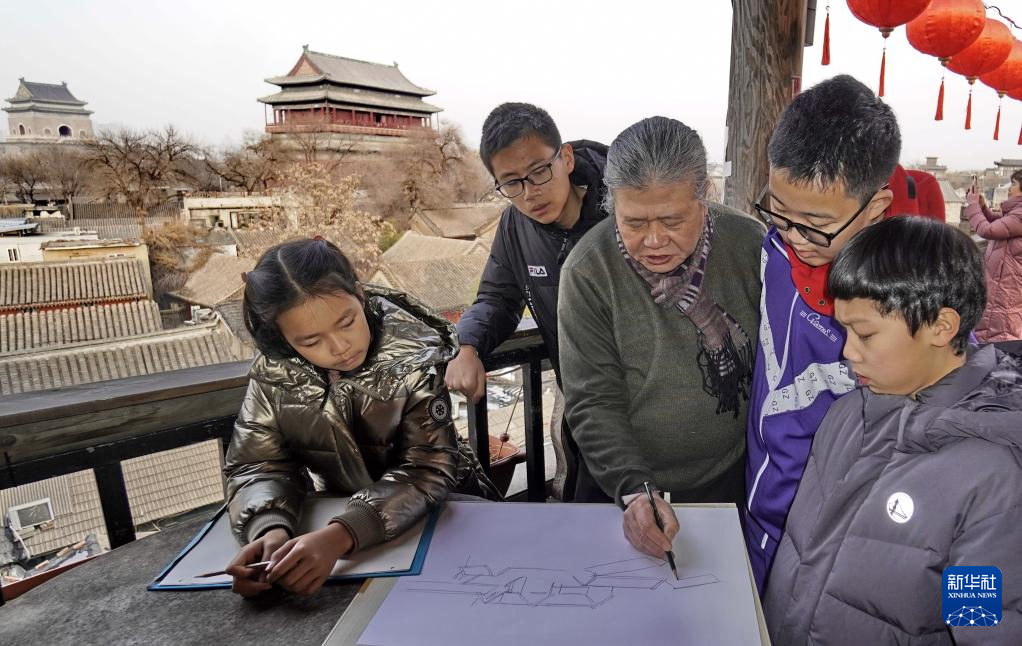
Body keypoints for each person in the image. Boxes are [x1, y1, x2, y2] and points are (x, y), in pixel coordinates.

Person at [764, 216, 1022, 644]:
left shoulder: (990, 478)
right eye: (844, 329)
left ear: (941, 327)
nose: (847, 351)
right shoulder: (846, 413)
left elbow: (981, 625)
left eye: (865, 334)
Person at [223, 238, 498, 598]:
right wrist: (269, 529)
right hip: (349, 528)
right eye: (310, 342)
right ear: (282, 338)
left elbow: (427, 468)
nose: (340, 347)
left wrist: (343, 534)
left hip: (447, 515)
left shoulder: (412, 359)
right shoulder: (274, 376)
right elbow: (257, 465)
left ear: (359, 294)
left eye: (347, 322)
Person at [558, 116, 763, 556]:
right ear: (612, 204)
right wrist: (634, 489)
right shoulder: (588, 270)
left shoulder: (750, 245)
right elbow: (593, 399)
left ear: (705, 195)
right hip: (624, 487)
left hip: (731, 478)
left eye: (672, 220)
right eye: (633, 223)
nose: (653, 240)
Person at [744, 74, 899, 592]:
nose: (793, 236)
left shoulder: (904, 312)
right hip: (755, 508)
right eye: (777, 211)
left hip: (826, 548)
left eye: (813, 224)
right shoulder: (774, 252)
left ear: (875, 207)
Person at [445, 102, 609, 499]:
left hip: (645, 393)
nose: (530, 192)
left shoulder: (621, 207)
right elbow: (498, 298)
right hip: (582, 398)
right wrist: (467, 345)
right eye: (512, 183)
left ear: (565, 158)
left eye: (539, 171)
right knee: (590, 506)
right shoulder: (516, 226)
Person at [966, 169, 1022, 342]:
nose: (1009, 188)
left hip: (1007, 284)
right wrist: (982, 207)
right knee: (994, 326)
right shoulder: (1017, 212)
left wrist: (972, 205)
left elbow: (987, 230)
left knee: (1000, 331)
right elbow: (1001, 223)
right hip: (1004, 281)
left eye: (1014, 184)